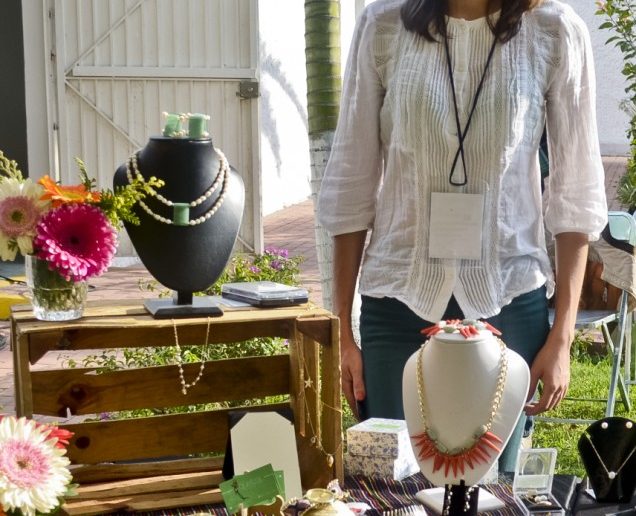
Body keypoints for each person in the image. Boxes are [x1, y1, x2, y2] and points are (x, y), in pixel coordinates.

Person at [317, 0, 607, 472]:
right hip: (396, 302)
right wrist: (342, 336)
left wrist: (563, 336)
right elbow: (351, 182)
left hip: (509, 300)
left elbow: (575, 196)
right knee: (393, 491)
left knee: (493, 489)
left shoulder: (553, 31)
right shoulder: (382, 24)